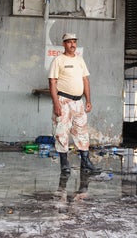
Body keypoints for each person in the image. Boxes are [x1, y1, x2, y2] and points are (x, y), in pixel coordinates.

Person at [48, 33, 101, 175]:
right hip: (63, 101)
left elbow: (85, 81)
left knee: (82, 132)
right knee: (61, 132)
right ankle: (64, 163)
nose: (72, 44)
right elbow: (52, 82)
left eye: (74, 42)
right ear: (64, 44)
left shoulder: (80, 60)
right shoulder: (58, 60)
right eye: (69, 42)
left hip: (79, 102)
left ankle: (86, 162)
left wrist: (88, 100)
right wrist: (56, 104)